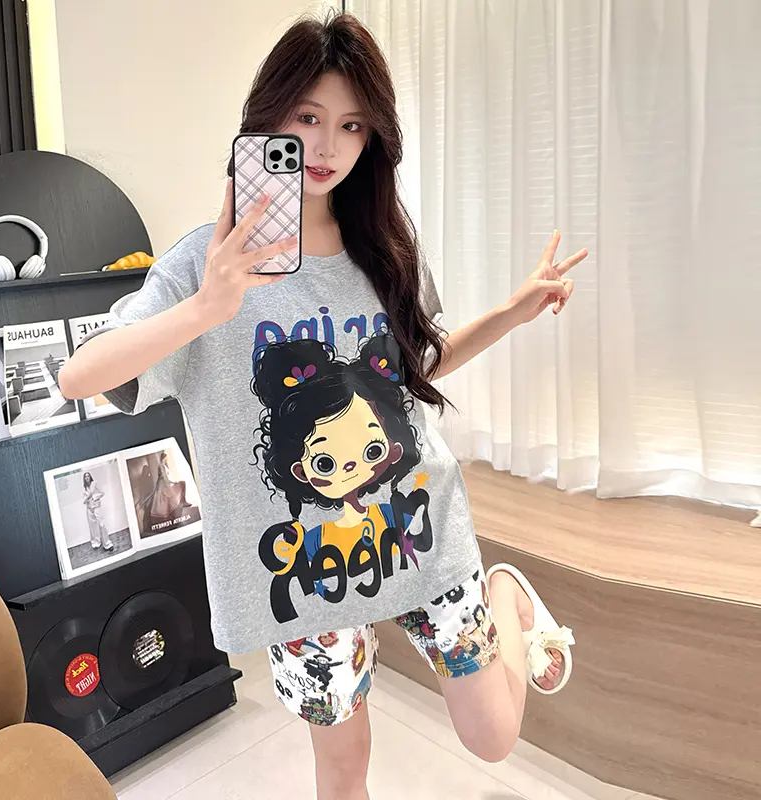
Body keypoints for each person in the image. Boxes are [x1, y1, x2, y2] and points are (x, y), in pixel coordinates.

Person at [59, 12, 586, 799]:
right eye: (306, 118)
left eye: (351, 125)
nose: (327, 146)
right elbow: (79, 377)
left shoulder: (385, 247)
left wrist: (512, 313)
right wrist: (206, 308)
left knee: (492, 735)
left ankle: (504, 592)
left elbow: (413, 370)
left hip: (418, 531)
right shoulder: (204, 263)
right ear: (266, 118)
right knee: (342, 768)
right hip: (304, 579)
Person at [82, 472, 113, 551]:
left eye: (88, 476)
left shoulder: (95, 484)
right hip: (89, 508)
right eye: (85, 477)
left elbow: (102, 493)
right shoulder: (84, 487)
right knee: (93, 526)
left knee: (101, 524)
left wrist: (94, 497)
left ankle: (107, 543)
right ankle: (96, 542)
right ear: (84, 478)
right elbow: (84, 501)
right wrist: (88, 497)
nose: (87, 478)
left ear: (90, 477)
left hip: (96, 506)